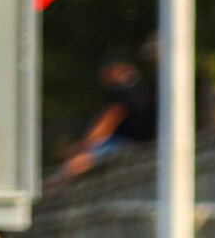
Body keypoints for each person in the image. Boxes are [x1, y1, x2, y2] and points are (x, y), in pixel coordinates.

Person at [47, 50, 158, 190]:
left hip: (126, 141)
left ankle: (54, 186)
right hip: (148, 140)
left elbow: (111, 118)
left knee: (83, 158)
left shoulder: (122, 91)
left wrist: (86, 144)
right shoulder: (146, 87)